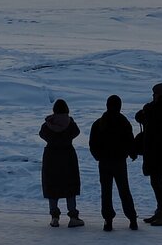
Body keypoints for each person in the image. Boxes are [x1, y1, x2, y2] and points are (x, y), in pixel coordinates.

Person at [88, 94, 139, 231]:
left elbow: (92, 143)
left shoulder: (99, 123)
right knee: (124, 190)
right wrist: (132, 153)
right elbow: (130, 141)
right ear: (120, 106)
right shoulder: (123, 122)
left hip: (104, 162)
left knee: (106, 192)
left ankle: (108, 220)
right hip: (119, 162)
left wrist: (98, 156)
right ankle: (132, 219)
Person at [135, 82, 162, 226]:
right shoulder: (160, 107)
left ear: (161, 94)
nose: (153, 96)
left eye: (155, 93)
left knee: (157, 180)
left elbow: (147, 116)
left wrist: (147, 109)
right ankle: (160, 211)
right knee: (155, 180)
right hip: (156, 149)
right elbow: (141, 116)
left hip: (160, 150)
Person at [39, 99, 83, 227]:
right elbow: (76, 132)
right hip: (68, 155)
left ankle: (54, 217)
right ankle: (73, 216)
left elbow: (42, 133)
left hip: (51, 156)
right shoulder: (70, 124)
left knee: (52, 185)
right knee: (70, 186)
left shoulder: (47, 124)